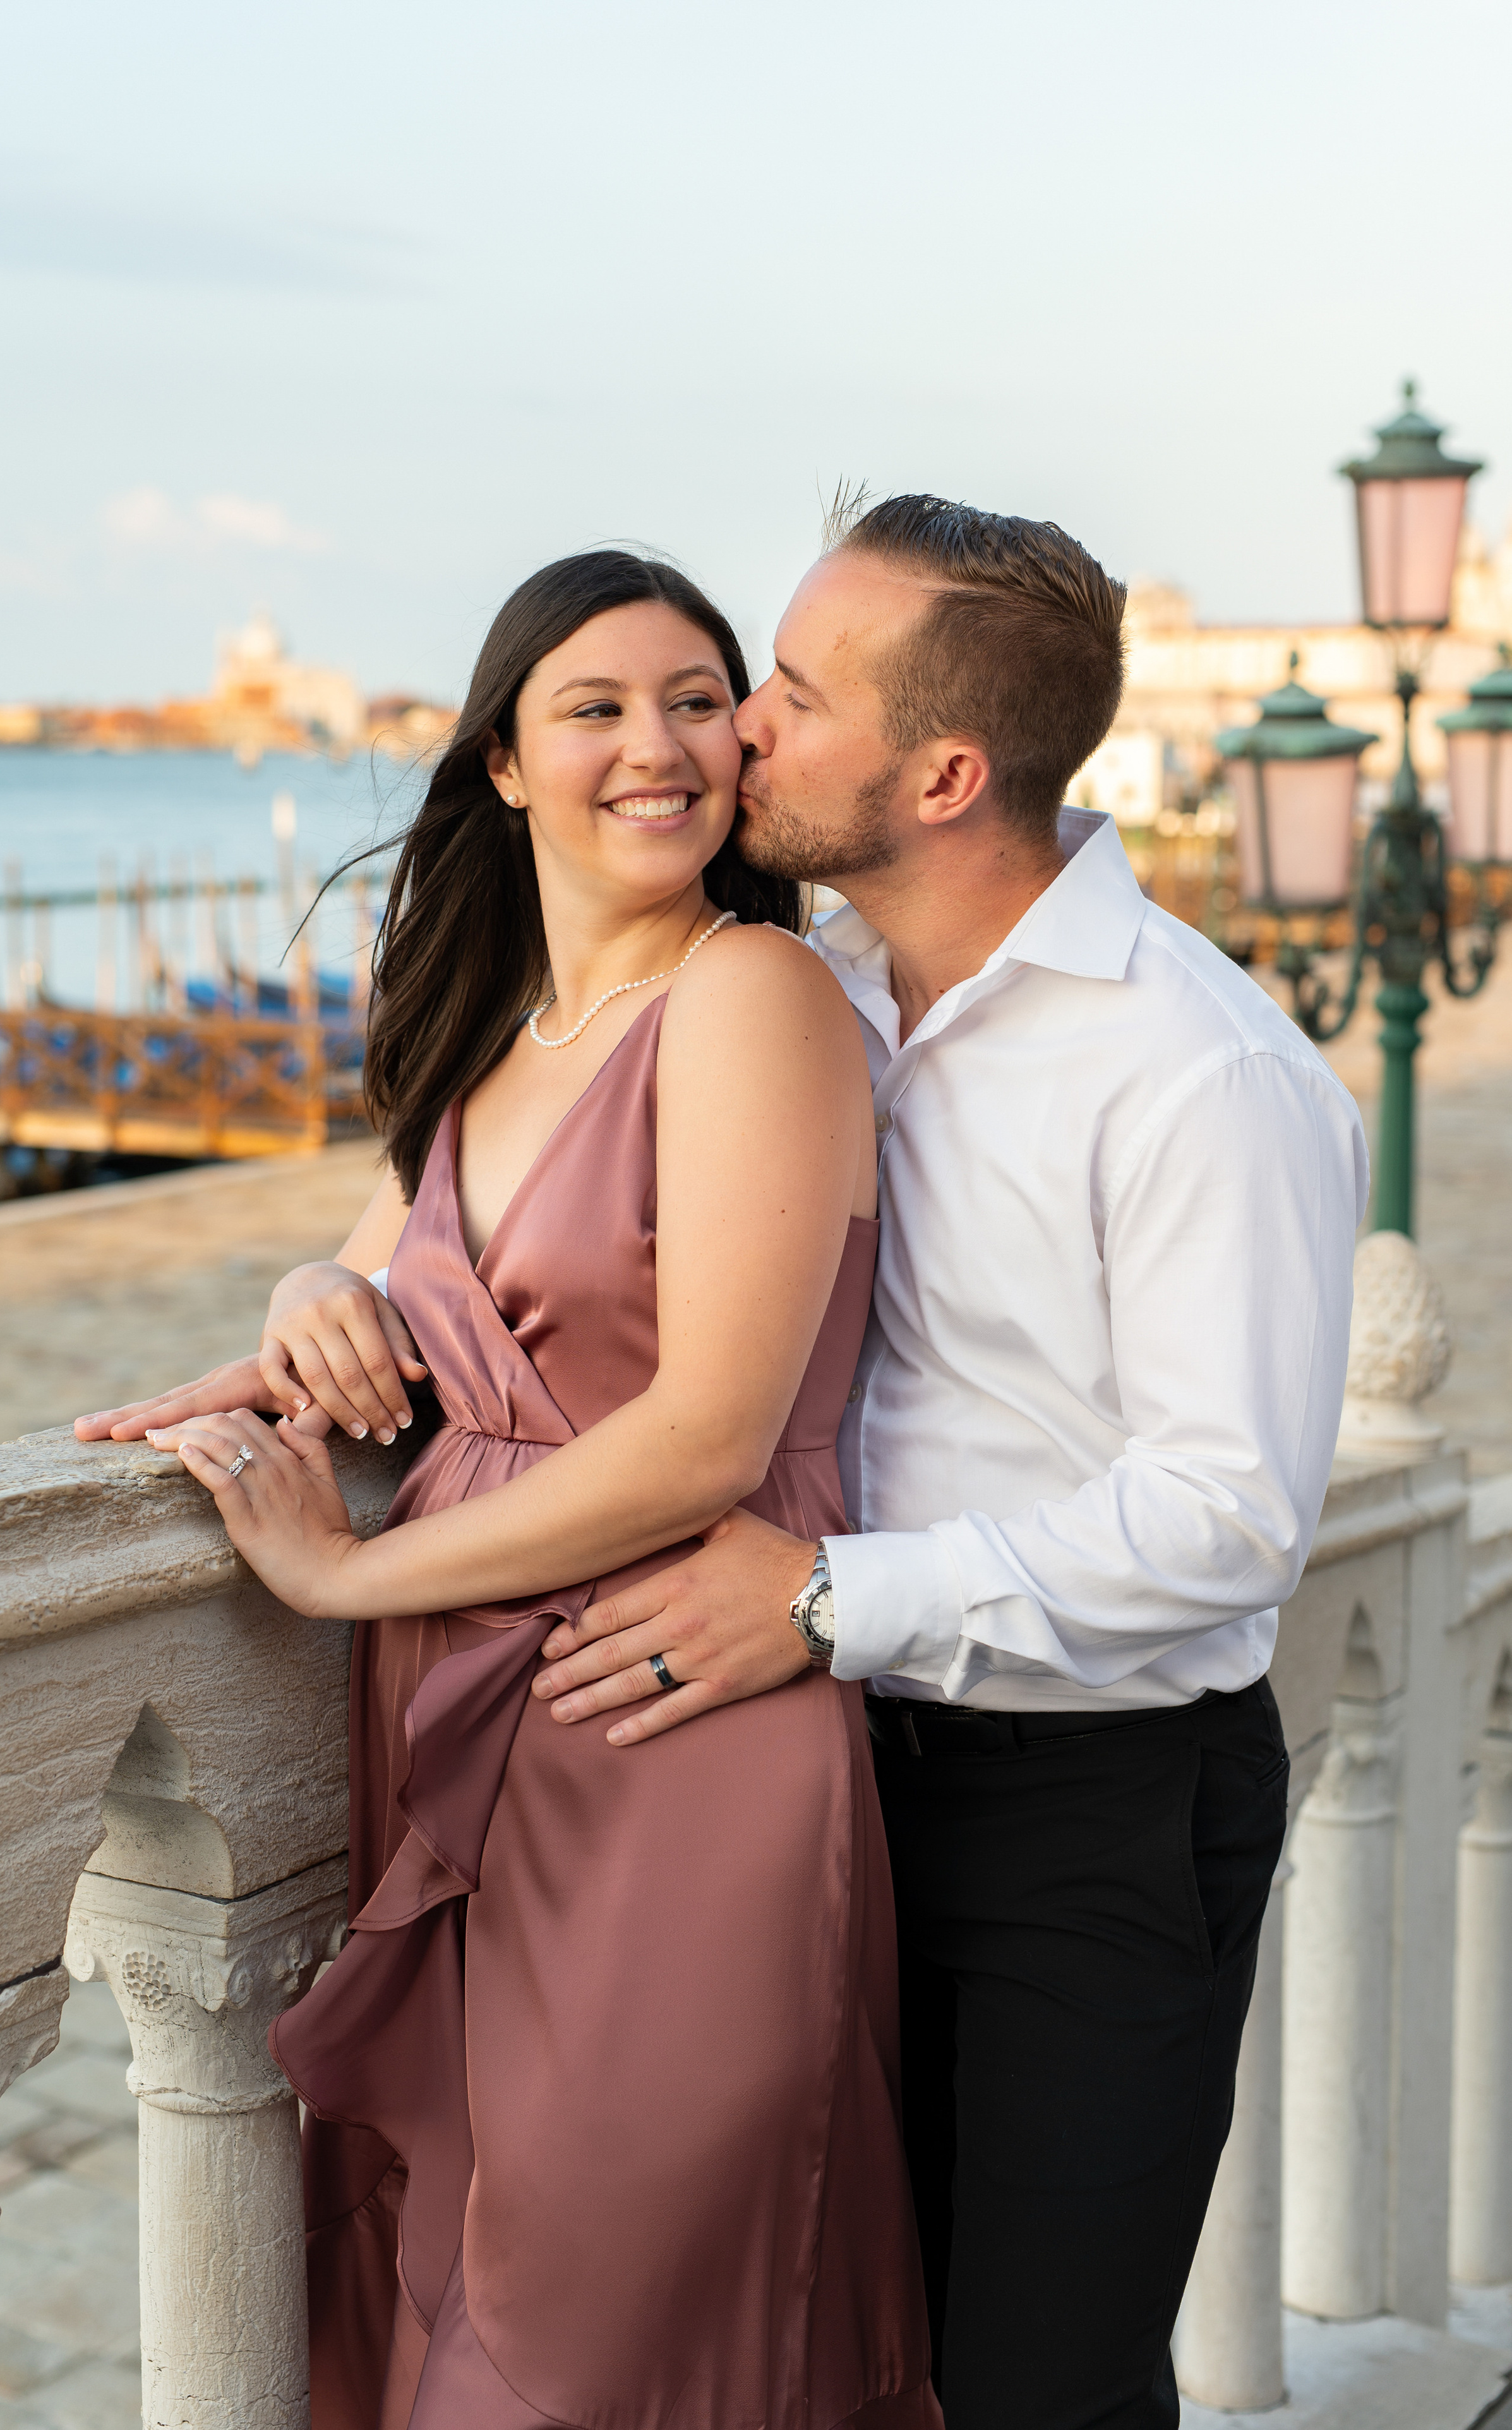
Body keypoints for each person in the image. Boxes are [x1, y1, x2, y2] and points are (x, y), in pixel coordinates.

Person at [515, 499, 1370, 2428]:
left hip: (1092, 1814)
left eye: (792, 695)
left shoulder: (1202, 1072)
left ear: (946, 776)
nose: (739, 727)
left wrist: (830, 1600)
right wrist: (329, 1291)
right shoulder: (798, 992)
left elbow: (1228, 1518)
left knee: (1039, 2390)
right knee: (833, 2363)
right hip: (811, 1783)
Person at [76, 550, 941, 2430]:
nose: (660, 746)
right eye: (597, 708)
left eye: (699, 701)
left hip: (672, 1723)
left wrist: (335, 1581)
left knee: (597, 2345)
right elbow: (383, 1277)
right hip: (469, 1738)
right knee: (453, 2291)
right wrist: (303, 1300)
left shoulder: (753, 994)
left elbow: (708, 1437)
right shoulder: (499, 1031)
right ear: (502, 764)